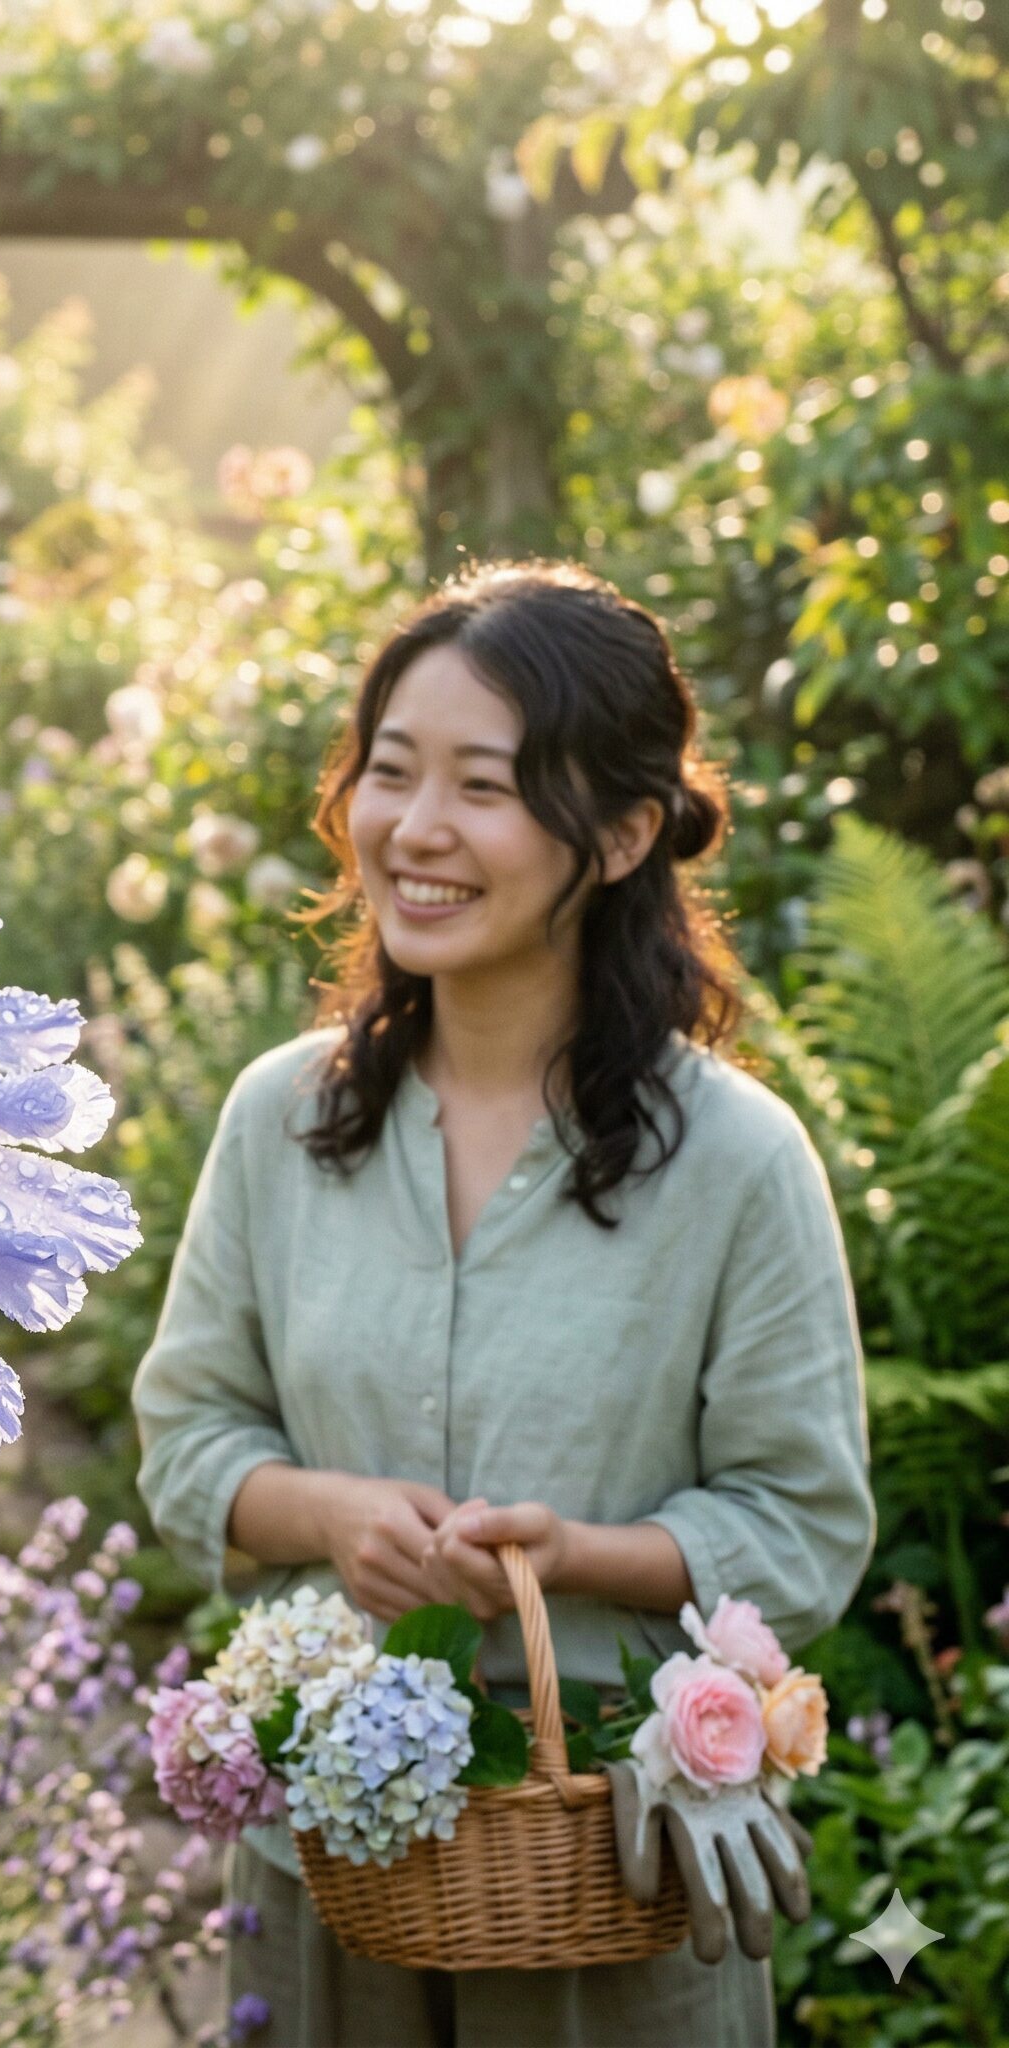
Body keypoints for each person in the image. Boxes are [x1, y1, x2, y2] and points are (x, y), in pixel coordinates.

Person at [131, 560, 875, 2048]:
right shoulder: (283, 1118)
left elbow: (805, 1521)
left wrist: (578, 1557)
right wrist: (335, 1517)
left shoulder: (737, 1161)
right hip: (323, 1852)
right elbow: (188, 1441)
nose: (417, 828)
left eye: (484, 786)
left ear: (623, 833)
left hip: (614, 1858)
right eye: (391, 771)